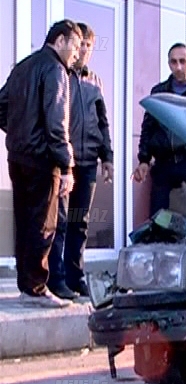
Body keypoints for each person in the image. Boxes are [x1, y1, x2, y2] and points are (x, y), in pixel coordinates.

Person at [0, 20, 82, 308]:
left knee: (24, 222)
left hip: (18, 156)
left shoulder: (23, 66)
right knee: (43, 224)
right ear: (60, 40)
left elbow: (1, 106)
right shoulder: (56, 70)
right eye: (75, 46)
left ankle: (28, 286)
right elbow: (57, 124)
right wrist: (68, 167)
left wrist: (21, 132)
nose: (77, 54)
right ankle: (36, 289)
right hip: (44, 161)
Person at [48, 22, 113, 300]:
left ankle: (76, 277)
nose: (84, 49)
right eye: (81, 44)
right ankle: (56, 278)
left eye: (88, 45)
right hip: (65, 163)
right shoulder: (59, 74)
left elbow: (103, 122)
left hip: (88, 164)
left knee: (79, 222)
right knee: (59, 221)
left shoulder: (95, 81)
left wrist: (107, 157)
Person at [132, 43, 186, 216]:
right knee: (159, 219)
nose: (178, 67)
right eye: (173, 62)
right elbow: (148, 128)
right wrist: (144, 160)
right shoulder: (159, 92)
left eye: (183, 61)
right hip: (164, 165)